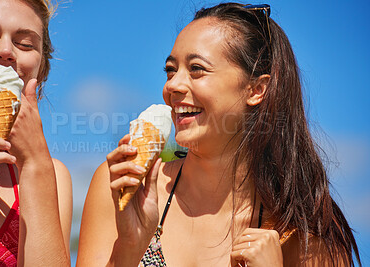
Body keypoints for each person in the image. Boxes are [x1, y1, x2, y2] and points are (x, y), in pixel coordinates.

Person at [77, 3, 361, 266]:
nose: (172, 85)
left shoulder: (303, 230)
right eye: (170, 70)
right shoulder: (123, 186)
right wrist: (129, 246)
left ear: (256, 89)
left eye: (197, 69)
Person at [0, 0, 72, 266]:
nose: (5, 51)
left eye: (25, 44)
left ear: (43, 68)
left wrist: (36, 162)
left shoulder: (52, 175)